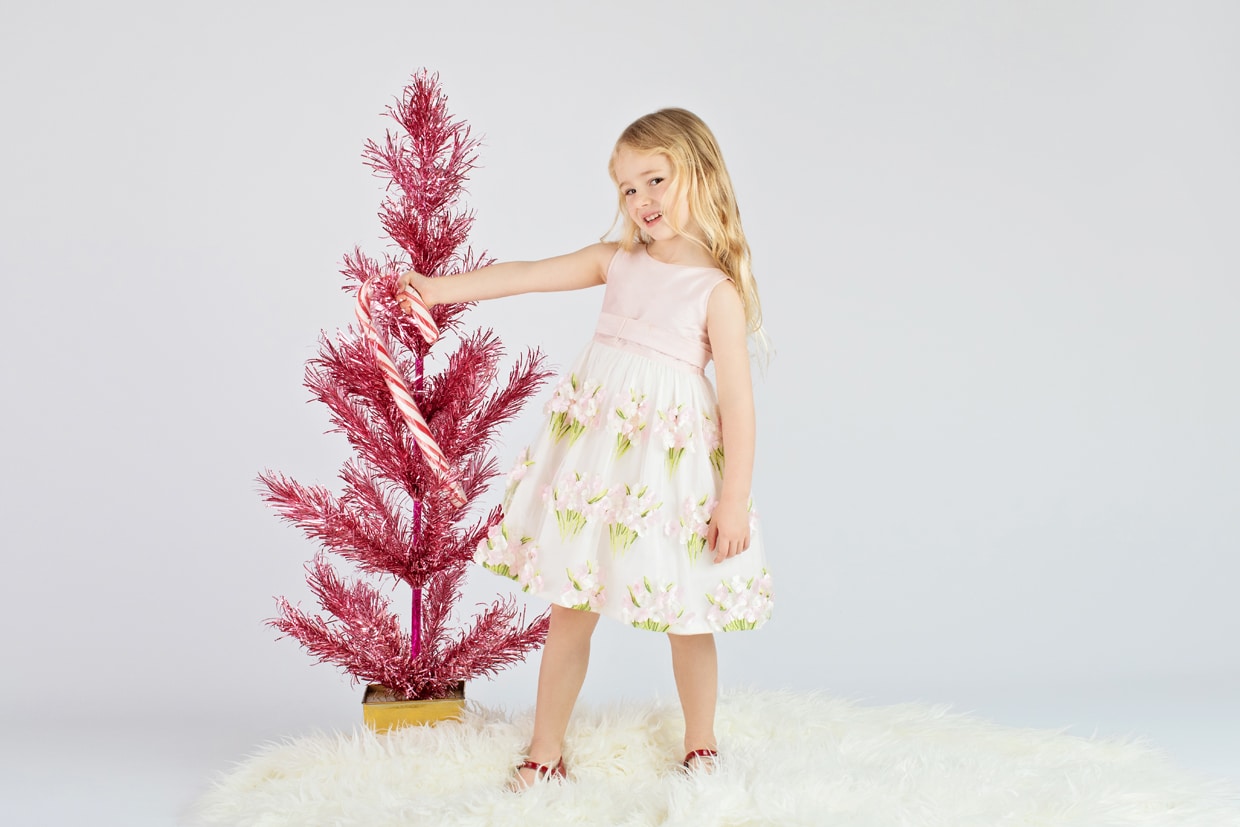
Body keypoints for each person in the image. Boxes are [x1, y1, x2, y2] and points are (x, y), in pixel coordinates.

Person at [396, 107, 774, 790]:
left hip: (668, 474)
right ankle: (545, 750)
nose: (641, 200)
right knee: (570, 609)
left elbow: (738, 403)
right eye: (628, 189)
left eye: (655, 179)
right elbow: (526, 273)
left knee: (686, 615)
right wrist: (439, 290)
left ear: (701, 174)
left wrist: (734, 499)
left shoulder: (715, 290)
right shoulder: (618, 262)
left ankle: (701, 744)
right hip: (597, 469)